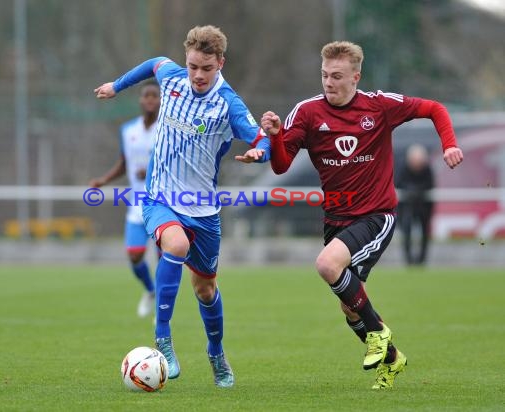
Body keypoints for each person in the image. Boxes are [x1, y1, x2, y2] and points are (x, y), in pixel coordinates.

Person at [261, 41, 463, 390]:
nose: (328, 82)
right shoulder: (307, 112)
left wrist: (449, 144)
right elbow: (280, 166)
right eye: (324, 75)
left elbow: (435, 108)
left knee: (327, 265)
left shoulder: (379, 106)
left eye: (337, 76)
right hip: (336, 219)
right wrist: (276, 137)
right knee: (350, 309)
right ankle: (392, 358)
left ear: (356, 77)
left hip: (376, 215)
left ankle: (380, 333)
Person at [93, 25, 270, 387]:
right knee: (175, 244)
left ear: (221, 63)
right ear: (186, 60)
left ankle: (216, 352)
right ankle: (163, 341)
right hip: (159, 197)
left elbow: (260, 136)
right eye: (193, 66)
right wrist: (116, 85)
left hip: (203, 208)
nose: (198, 75)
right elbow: (154, 63)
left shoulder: (228, 104)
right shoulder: (171, 77)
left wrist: (258, 152)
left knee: (205, 289)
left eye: (207, 68)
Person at [88, 81, 161, 318]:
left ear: (161, 101)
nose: (150, 100)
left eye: (154, 96)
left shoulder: (168, 130)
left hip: (164, 203)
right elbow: (124, 163)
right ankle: (151, 291)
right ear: (140, 101)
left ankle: (162, 312)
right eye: (146, 96)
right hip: (137, 204)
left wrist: (150, 172)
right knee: (134, 254)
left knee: (165, 260)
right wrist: (104, 180)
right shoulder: (129, 130)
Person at [396, 144, 435, 266]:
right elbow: (398, 183)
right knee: (406, 231)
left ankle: (421, 260)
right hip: (406, 206)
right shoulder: (403, 168)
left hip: (424, 207)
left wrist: (417, 191)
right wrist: (411, 191)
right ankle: (409, 260)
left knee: (424, 232)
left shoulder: (427, 169)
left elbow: (430, 184)